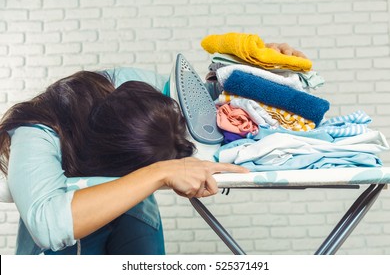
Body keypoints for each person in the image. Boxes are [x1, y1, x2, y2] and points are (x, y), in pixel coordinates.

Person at [0, 43, 306, 255]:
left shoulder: (130, 85)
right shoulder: (36, 133)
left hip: (134, 218)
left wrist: (272, 72)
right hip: (67, 241)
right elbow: (49, 225)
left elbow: (210, 100)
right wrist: (159, 173)